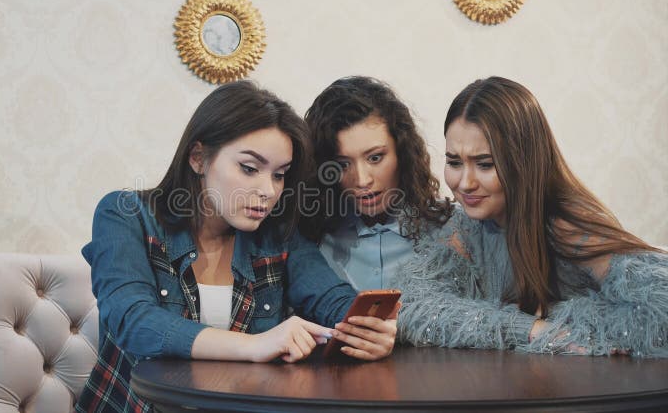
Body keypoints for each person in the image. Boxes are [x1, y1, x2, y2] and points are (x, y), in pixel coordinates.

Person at [76, 81, 399, 412]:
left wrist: (369, 329)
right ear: (199, 158)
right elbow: (132, 320)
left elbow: (330, 297)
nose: (267, 191)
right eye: (249, 168)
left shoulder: (277, 236)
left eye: (279, 174)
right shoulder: (126, 215)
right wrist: (254, 345)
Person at [392, 76, 667, 357]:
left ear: (524, 161)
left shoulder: (568, 227)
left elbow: (662, 306)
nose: (465, 183)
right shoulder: (464, 228)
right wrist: (531, 329)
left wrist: (570, 323)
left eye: (485, 164)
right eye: (454, 162)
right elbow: (411, 306)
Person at [301, 75, 452, 295]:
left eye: (375, 158)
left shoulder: (450, 231)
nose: (362, 180)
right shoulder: (311, 238)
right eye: (343, 164)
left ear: (402, 153)